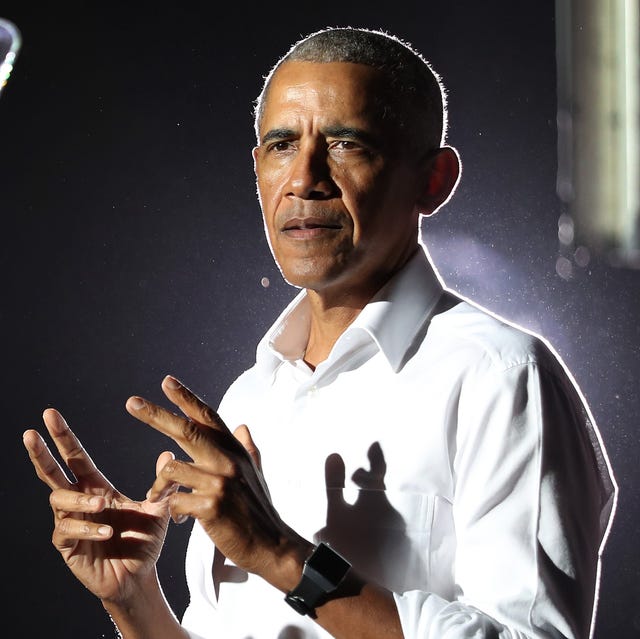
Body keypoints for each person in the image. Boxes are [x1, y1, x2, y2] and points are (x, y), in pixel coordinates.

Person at [23, 26, 617, 639]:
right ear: (257, 171)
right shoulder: (249, 399)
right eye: (281, 144)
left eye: (345, 143)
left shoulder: (501, 378)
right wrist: (134, 600)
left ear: (433, 181)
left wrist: (281, 555)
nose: (304, 178)